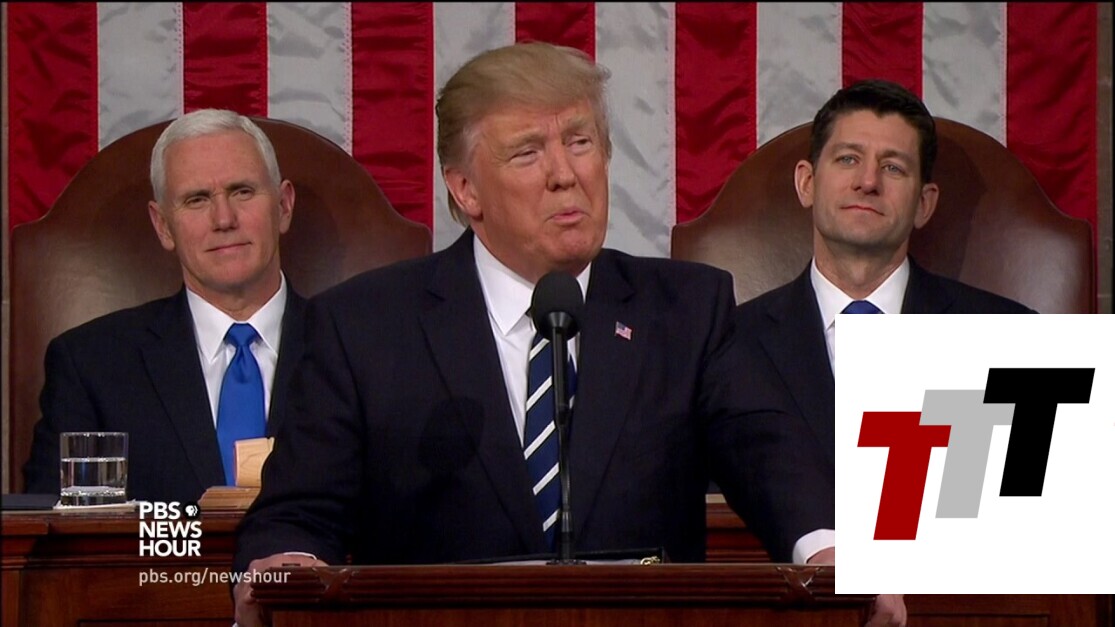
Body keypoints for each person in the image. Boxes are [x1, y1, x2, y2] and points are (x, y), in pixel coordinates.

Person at [232, 42, 833, 626]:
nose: (565, 175)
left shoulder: (686, 310)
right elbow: (297, 512)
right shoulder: (363, 326)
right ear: (465, 189)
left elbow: (767, 451)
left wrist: (826, 548)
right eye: (527, 153)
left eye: (580, 142)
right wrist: (289, 565)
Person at [733, 79, 1035, 627]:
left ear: (924, 203)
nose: (868, 181)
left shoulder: (1009, 336)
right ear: (807, 183)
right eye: (848, 159)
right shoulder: (731, 343)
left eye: (893, 167)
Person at [23, 108, 306, 504]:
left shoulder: (358, 350)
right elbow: (55, 529)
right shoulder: (91, 365)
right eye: (196, 199)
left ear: (284, 206)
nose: (224, 219)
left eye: (242, 191)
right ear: (163, 226)